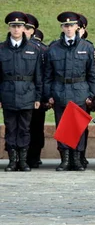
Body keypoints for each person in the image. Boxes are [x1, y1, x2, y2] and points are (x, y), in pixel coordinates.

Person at [43, 12, 95, 171]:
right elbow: (48, 75)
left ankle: (77, 159)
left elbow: (92, 74)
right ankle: (65, 159)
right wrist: (49, 95)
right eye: (66, 26)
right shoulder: (53, 48)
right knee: (63, 126)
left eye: (72, 25)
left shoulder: (86, 47)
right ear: (62, 27)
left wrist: (91, 94)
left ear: (77, 27)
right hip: (60, 90)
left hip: (80, 90)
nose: (69, 28)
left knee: (78, 126)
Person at [0, 12, 43, 172]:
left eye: (19, 26)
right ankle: (12, 160)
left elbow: (38, 76)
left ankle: (23, 161)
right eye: (13, 26)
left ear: (25, 28)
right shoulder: (2, 49)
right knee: (11, 128)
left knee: (25, 128)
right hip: (8, 93)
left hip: (27, 94)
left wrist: (38, 96)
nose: (16, 29)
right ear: (9, 28)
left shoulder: (33, 49)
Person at [23, 13, 48, 168]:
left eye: (28, 28)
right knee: (20, 127)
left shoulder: (41, 49)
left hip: (37, 95)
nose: (24, 30)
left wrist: (44, 97)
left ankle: (34, 156)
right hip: (18, 94)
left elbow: (46, 75)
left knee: (36, 127)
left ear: (33, 30)